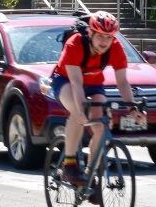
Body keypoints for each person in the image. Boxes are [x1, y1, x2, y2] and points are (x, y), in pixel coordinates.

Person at [51, 11, 145, 196]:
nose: (104, 41)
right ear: (91, 34)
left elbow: (123, 82)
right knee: (77, 113)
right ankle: (69, 164)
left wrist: (132, 108)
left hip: (94, 84)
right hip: (66, 80)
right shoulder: (75, 43)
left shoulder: (116, 47)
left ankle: (90, 175)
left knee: (101, 125)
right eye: (100, 36)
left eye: (108, 37)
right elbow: (76, 83)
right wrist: (79, 109)